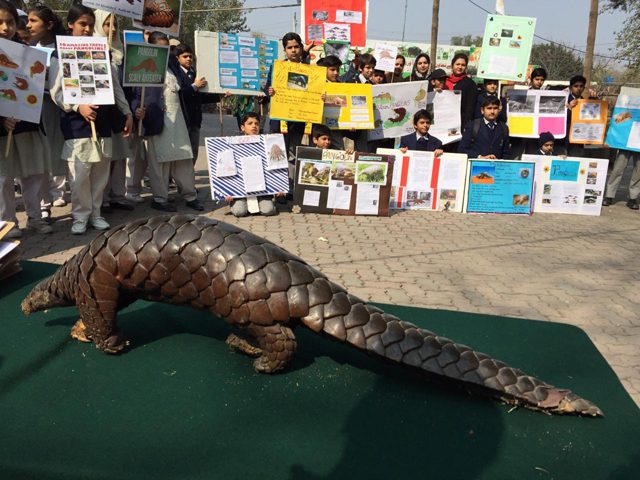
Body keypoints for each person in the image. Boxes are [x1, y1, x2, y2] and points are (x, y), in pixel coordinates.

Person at [51, 4, 134, 235]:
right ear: (70, 24)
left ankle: (96, 214)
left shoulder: (103, 51)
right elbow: (56, 92)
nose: (87, 29)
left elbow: (116, 88)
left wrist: (127, 112)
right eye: (82, 24)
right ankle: (79, 216)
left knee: (100, 175)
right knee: (79, 176)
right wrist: (79, 107)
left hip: (104, 122)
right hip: (77, 125)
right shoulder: (61, 51)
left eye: (90, 24)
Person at [131, 31, 203, 213]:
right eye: (160, 47)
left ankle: (190, 195)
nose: (164, 51)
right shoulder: (142, 66)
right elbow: (135, 95)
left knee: (184, 158)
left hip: (178, 121)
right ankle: (160, 198)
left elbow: (185, 88)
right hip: (156, 120)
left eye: (167, 48)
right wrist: (136, 109)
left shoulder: (173, 66)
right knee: (159, 163)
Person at [0, 0, 52, 239]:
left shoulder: (30, 53)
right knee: (4, 177)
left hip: (28, 123)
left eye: (9, 22)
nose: (5, 27)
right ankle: (7, 223)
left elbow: (33, 86)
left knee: (32, 174)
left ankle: (35, 218)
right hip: (3, 129)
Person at [27, 5, 68, 218]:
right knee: (41, 153)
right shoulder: (29, 49)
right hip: (35, 106)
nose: (28, 25)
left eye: (34, 21)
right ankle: (43, 203)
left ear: (49, 24)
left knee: (57, 150)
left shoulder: (64, 49)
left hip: (59, 106)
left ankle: (59, 191)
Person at [94, 9, 135, 214]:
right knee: (103, 158)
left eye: (115, 25)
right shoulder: (90, 49)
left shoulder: (120, 52)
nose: (112, 29)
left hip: (117, 110)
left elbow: (118, 86)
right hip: (98, 112)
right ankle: (102, 199)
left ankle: (118, 196)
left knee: (119, 155)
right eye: (107, 24)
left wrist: (128, 112)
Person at [264, 32, 308, 195]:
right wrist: (269, 90)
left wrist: (321, 96)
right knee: (277, 155)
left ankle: (290, 191)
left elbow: (315, 93)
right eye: (290, 47)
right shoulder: (277, 67)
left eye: (296, 47)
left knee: (292, 155)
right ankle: (277, 190)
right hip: (279, 120)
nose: (293, 50)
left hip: (298, 121)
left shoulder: (310, 70)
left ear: (301, 48)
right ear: (285, 50)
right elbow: (267, 87)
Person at [224, 113, 284, 217]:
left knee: (269, 210)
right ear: (243, 127)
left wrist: (278, 186)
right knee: (239, 212)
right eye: (250, 123)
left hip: (262, 189)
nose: (254, 126)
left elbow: (276, 165)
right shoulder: (234, 145)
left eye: (256, 123)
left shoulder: (267, 144)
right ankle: (237, 203)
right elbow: (226, 166)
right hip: (240, 189)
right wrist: (227, 191)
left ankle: (260, 202)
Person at [174, 43, 206, 166]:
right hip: (183, 119)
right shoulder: (176, 74)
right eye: (185, 56)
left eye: (190, 56)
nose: (189, 59)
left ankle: (189, 179)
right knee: (182, 152)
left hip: (195, 120)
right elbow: (180, 94)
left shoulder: (195, 73)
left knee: (194, 151)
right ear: (177, 57)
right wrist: (194, 86)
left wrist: (219, 96)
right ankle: (178, 180)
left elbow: (201, 96)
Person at [346, 53, 376, 152]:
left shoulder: (374, 86)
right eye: (368, 67)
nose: (371, 70)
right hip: (354, 128)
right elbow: (346, 105)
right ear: (360, 68)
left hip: (370, 128)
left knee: (368, 154)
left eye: (372, 68)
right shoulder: (351, 83)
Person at [446, 53, 477, 132]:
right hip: (444, 120)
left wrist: (466, 125)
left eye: (463, 65)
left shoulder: (470, 84)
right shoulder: (445, 81)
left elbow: (470, 107)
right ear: (452, 65)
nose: (460, 67)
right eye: (457, 64)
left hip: (460, 123)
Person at [561, 75, 586, 156]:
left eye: (581, 86)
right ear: (570, 87)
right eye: (576, 86)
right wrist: (569, 108)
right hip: (563, 139)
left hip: (578, 140)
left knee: (575, 163)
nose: (578, 88)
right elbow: (558, 118)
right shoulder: (563, 100)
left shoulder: (587, 104)